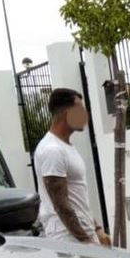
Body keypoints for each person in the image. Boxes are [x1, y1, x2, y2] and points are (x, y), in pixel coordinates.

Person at [34, 88, 110, 246]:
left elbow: (78, 196)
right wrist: (86, 242)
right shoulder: (52, 150)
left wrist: (97, 229)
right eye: (80, 109)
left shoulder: (66, 146)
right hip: (66, 237)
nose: (85, 115)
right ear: (65, 112)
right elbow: (61, 204)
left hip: (81, 233)